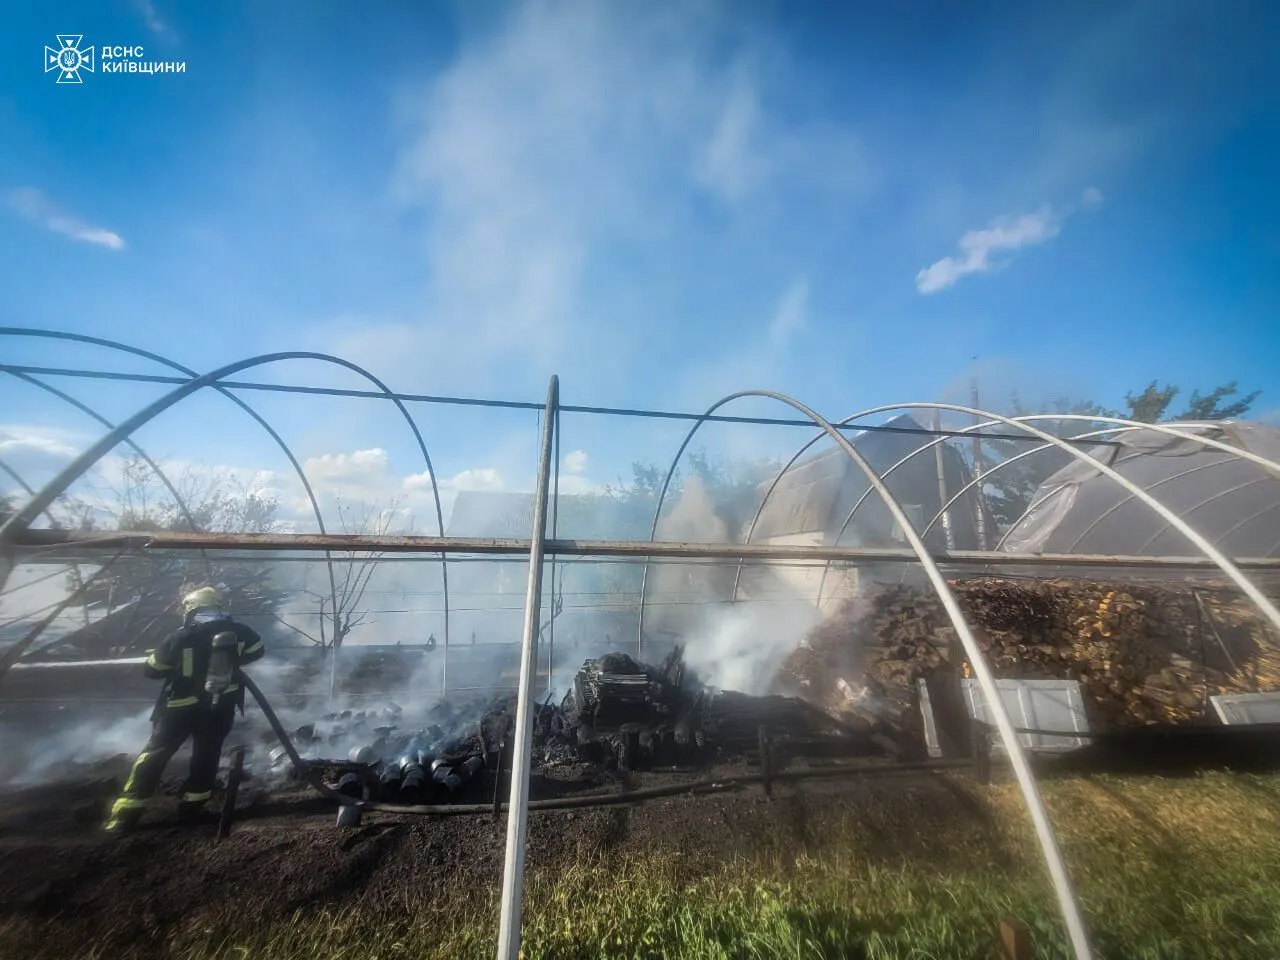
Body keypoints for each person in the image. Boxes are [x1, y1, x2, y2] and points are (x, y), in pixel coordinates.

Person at [105, 585, 265, 833]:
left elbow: (153, 671)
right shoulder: (240, 631)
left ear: (191, 610)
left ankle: (125, 815)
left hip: (178, 709)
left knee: (155, 755)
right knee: (207, 756)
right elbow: (257, 651)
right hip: (220, 707)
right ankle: (192, 809)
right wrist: (233, 659)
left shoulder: (179, 637)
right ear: (218, 607)